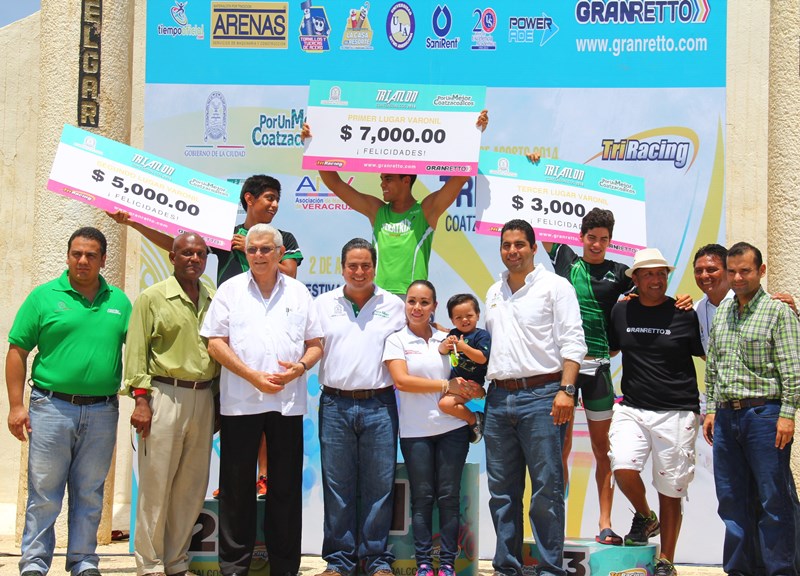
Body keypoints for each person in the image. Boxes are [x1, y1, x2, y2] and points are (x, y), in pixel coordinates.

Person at [110, 174, 301, 493]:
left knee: (267, 406)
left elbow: (291, 272)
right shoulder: (225, 233)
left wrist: (252, 249)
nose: (275, 205)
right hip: (229, 335)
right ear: (249, 199)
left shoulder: (284, 237)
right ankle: (233, 479)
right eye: (269, 197)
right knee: (230, 411)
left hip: (267, 330)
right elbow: (179, 244)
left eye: (277, 199)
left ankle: (264, 476)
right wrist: (133, 222)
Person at [543, 207, 692, 545]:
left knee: (603, 451)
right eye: (591, 238)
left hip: (599, 368)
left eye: (603, 239)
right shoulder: (566, 260)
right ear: (581, 237)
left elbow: (652, 292)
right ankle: (556, 525)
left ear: (610, 241)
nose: (596, 244)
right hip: (566, 369)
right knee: (560, 448)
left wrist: (682, 299)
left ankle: (605, 523)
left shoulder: (621, 272)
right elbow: (538, 223)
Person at [6, 226, 132, 576]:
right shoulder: (43, 297)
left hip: (103, 410)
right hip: (50, 407)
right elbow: (17, 351)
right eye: (76, 253)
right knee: (44, 492)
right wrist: (16, 406)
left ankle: (83, 561)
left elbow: (137, 352)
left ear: (103, 260)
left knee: (90, 492)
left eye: (91, 255)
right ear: (67, 256)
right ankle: (34, 563)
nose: (82, 260)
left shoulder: (119, 302)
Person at [200, 224, 323, 576]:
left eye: (265, 249)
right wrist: (251, 375)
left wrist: (299, 368)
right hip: (241, 402)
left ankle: (284, 568)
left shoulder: (298, 292)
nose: (257, 255)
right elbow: (215, 343)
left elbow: (315, 344)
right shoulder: (230, 290)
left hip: (287, 404)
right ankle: (233, 568)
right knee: (236, 490)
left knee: (285, 491)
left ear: (280, 253)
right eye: (252, 249)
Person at [483, 219, 586, 576]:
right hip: (498, 400)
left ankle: (550, 569)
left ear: (533, 247)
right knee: (502, 492)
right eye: (506, 245)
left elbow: (573, 342)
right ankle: (506, 568)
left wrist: (566, 390)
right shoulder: (493, 292)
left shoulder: (556, 287)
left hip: (543, 397)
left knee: (546, 489)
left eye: (519, 244)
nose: (512, 251)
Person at [300, 112, 489, 295]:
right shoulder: (377, 210)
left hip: (413, 302)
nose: (382, 184)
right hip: (379, 298)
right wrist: (315, 146)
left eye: (388, 179)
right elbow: (336, 184)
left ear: (406, 180)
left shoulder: (426, 210)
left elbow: (460, 177)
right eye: (382, 179)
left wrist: (474, 133)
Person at [124, 233, 221, 576]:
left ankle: (176, 562)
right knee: (156, 485)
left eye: (200, 254)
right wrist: (141, 401)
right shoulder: (151, 297)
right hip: (164, 394)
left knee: (191, 487)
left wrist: (217, 402)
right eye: (187, 253)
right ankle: (150, 564)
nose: (194, 259)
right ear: (172, 257)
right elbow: (136, 352)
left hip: (204, 396)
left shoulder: (213, 299)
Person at [702, 242, 800, 576]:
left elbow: (792, 369)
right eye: (732, 271)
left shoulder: (778, 312)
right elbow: (714, 365)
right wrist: (712, 409)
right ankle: (740, 570)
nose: (738, 278)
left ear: (761, 271)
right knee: (731, 500)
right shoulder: (724, 312)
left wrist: (787, 415)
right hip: (726, 417)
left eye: (745, 271)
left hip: (765, 416)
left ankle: (780, 570)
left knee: (774, 499)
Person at [607, 248, 705, 576]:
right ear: (635, 279)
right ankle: (647, 517)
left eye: (661, 273)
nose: (656, 279)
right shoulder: (621, 311)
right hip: (632, 408)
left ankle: (666, 561)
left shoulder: (684, 313)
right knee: (622, 466)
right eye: (648, 273)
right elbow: (610, 348)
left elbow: (708, 352)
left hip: (677, 411)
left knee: (671, 489)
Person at [314, 238, 405, 576]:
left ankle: (376, 560)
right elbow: (309, 345)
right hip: (334, 404)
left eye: (366, 265)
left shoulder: (393, 305)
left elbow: (416, 338)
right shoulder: (323, 304)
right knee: (337, 486)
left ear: (375, 268)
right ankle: (339, 561)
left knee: (379, 486)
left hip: (379, 404)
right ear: (342, 269)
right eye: (352, 265)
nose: (359, 271)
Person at [383, 281, 484, 576]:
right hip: (414, 432)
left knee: (449, 498)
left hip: (452, 429)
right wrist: (445, 385)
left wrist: (474, 390)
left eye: (424, 302)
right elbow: (402, 382)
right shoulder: (396, 340)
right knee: (422, 499)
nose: (417, 307)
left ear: (434, 307)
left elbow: (471, 376)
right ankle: (424, 563)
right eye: (412, 301)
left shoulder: (449, 338)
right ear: (405, 304)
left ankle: (448, 563)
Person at [693, 243, 796, 352]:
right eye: (698, 271)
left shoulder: (773, 308)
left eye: (711, 269)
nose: (704, 275)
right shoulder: (697, 309)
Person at [436, 293, 491, 443]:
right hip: (455, 382)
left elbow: (482, 358)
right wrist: (446, 344)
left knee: (445, 404)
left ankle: (474, 419)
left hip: (472, 384)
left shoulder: (482, 335)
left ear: (478, 315)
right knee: (443, 403)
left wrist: (463, 347)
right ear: (452, 320)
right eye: (458, 317)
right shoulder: (453, 334)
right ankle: (473, 419)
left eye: (469, 315)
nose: (464, 320)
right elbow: (441, 350)